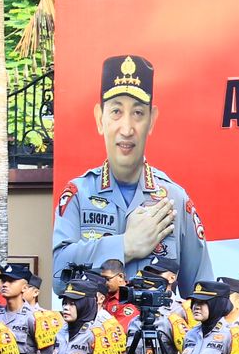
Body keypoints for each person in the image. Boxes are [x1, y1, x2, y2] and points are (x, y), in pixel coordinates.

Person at [52, 55, 213, 297]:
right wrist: (125, 245)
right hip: (95, 322)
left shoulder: (174, 200)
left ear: (152, 120)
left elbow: (203, 293)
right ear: (100, 118)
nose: (127, 129)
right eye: (116, 111)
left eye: (138, 113)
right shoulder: (79, 194)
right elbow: (58, 277)